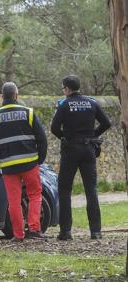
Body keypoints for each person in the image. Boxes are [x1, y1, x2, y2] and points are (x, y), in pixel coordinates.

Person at [0, 82, 48, 242]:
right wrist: (40, 159)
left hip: (8, 166)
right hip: (30, 163)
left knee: (13, 201)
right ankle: (34, 230)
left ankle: (18, 234)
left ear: (1, 97)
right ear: (17, 95)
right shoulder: (29, 113)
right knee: (34, 196)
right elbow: (42, 139)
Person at [51, 75, 111, 240]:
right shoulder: (92, 103)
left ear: (67, 89)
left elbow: (54, 128)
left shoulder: (64, 105)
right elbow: (107, 123)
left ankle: (66, 232)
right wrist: (92, 136)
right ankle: (96, 232)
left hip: (70, 150)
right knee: (91, 190)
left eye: (63, 89)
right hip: (88, 150)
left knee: (64, 190)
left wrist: (65, 136)